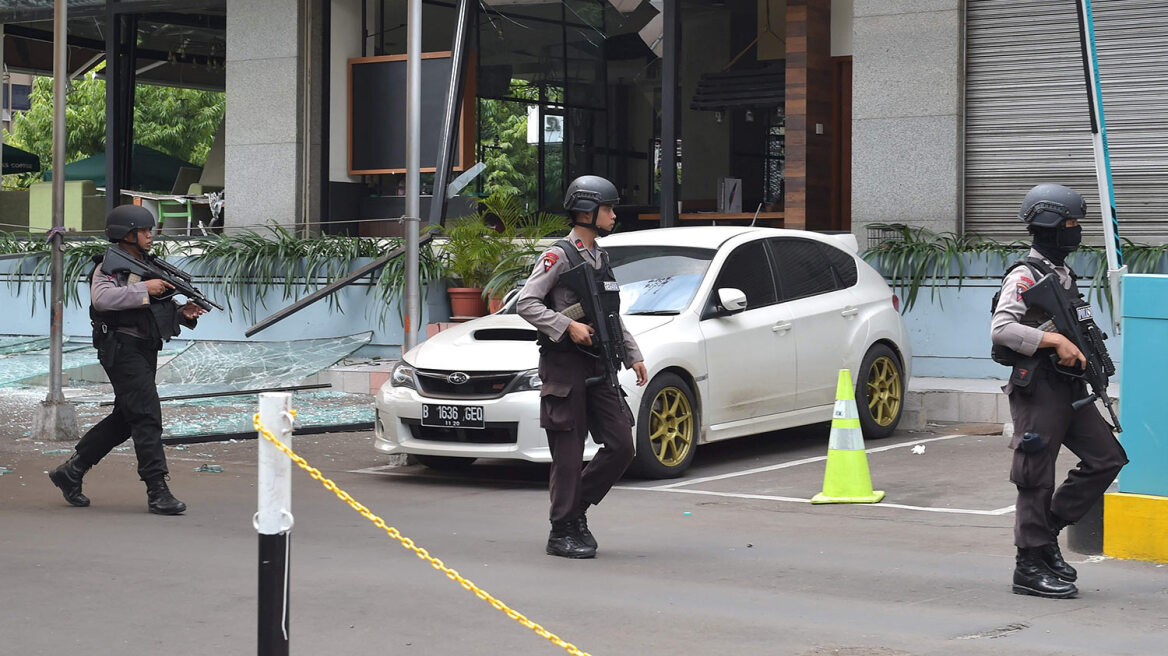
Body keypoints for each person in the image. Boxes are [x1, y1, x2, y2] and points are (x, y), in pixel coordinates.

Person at [990, 183, 1127, 598]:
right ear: (1049, 225)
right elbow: (1001, 328)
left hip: (1070, 388)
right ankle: (1028, 566)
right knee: (1035, 476)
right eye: (1071, 223)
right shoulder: (1024, 274)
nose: (1076, 231)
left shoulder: (1061, 275)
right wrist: (1055, 342)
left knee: (1107, 459)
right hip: (1039, 391)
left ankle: (1045, 533)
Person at [517, 175, 649, 559]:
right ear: (588, 211)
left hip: (599, 365)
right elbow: (526, 302)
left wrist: (632, 353)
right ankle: (562, 531)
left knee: (622, 444)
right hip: (564, 367)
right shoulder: (558, 256)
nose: (612, 215)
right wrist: (566, 325)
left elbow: (609, 314)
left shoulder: (600, 257)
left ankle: (575, 511)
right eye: (608, 209)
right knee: (569, 453)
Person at [48, 205, 207, 515]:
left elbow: (153, 307)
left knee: (128, 417)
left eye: (150, 230)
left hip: (145, 348)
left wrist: (181, 313)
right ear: (127, 234)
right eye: (144, 231)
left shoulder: (146, 264)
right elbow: (102, 298)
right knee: (146, 415)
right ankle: (157, 490)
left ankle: (71, 471)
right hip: (121, 348)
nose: (150, 235)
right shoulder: (110, 266)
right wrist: (142, 289)